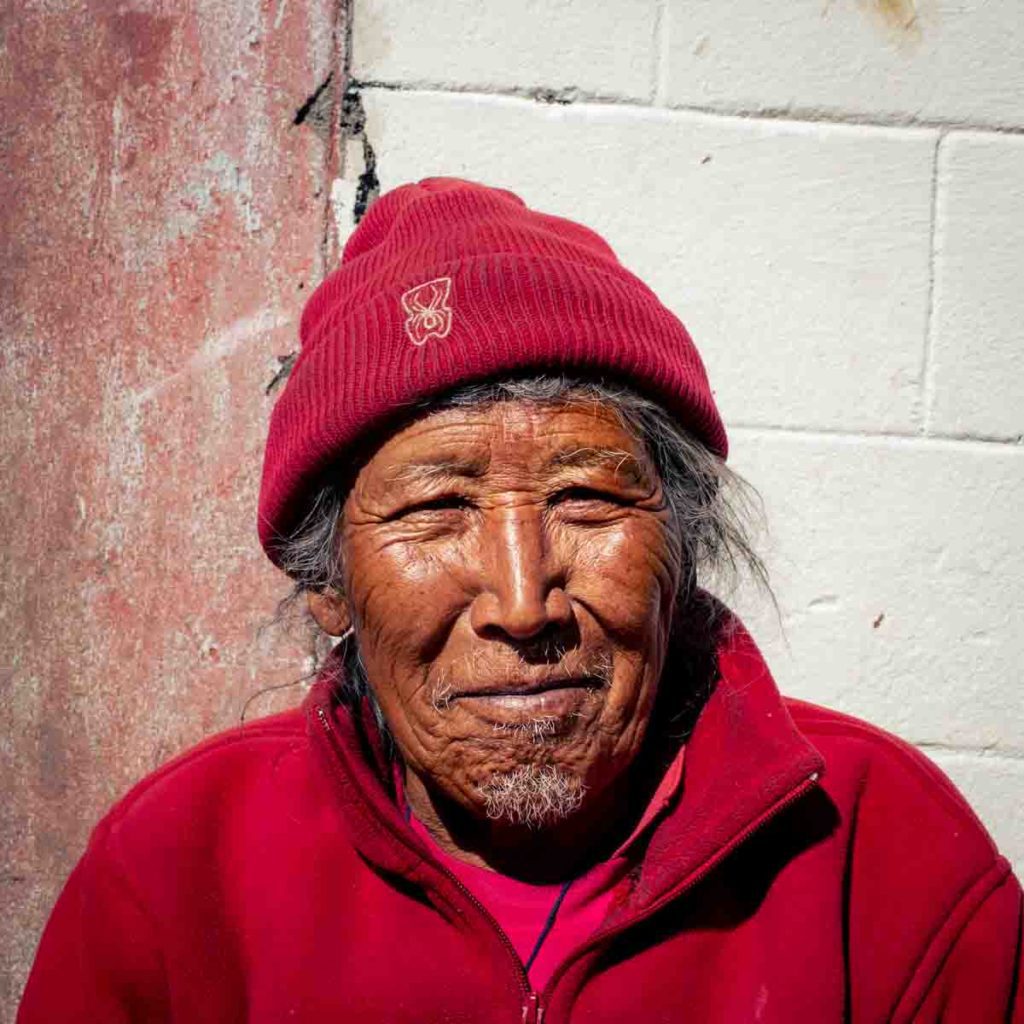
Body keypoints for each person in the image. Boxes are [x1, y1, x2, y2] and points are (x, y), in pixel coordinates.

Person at [18, 178, 1023, 1023]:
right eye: (435, 507)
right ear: (328, 586)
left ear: (683, 543)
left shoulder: (875, 855)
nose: (520, 600)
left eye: (586, 498)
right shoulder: (176, 877)